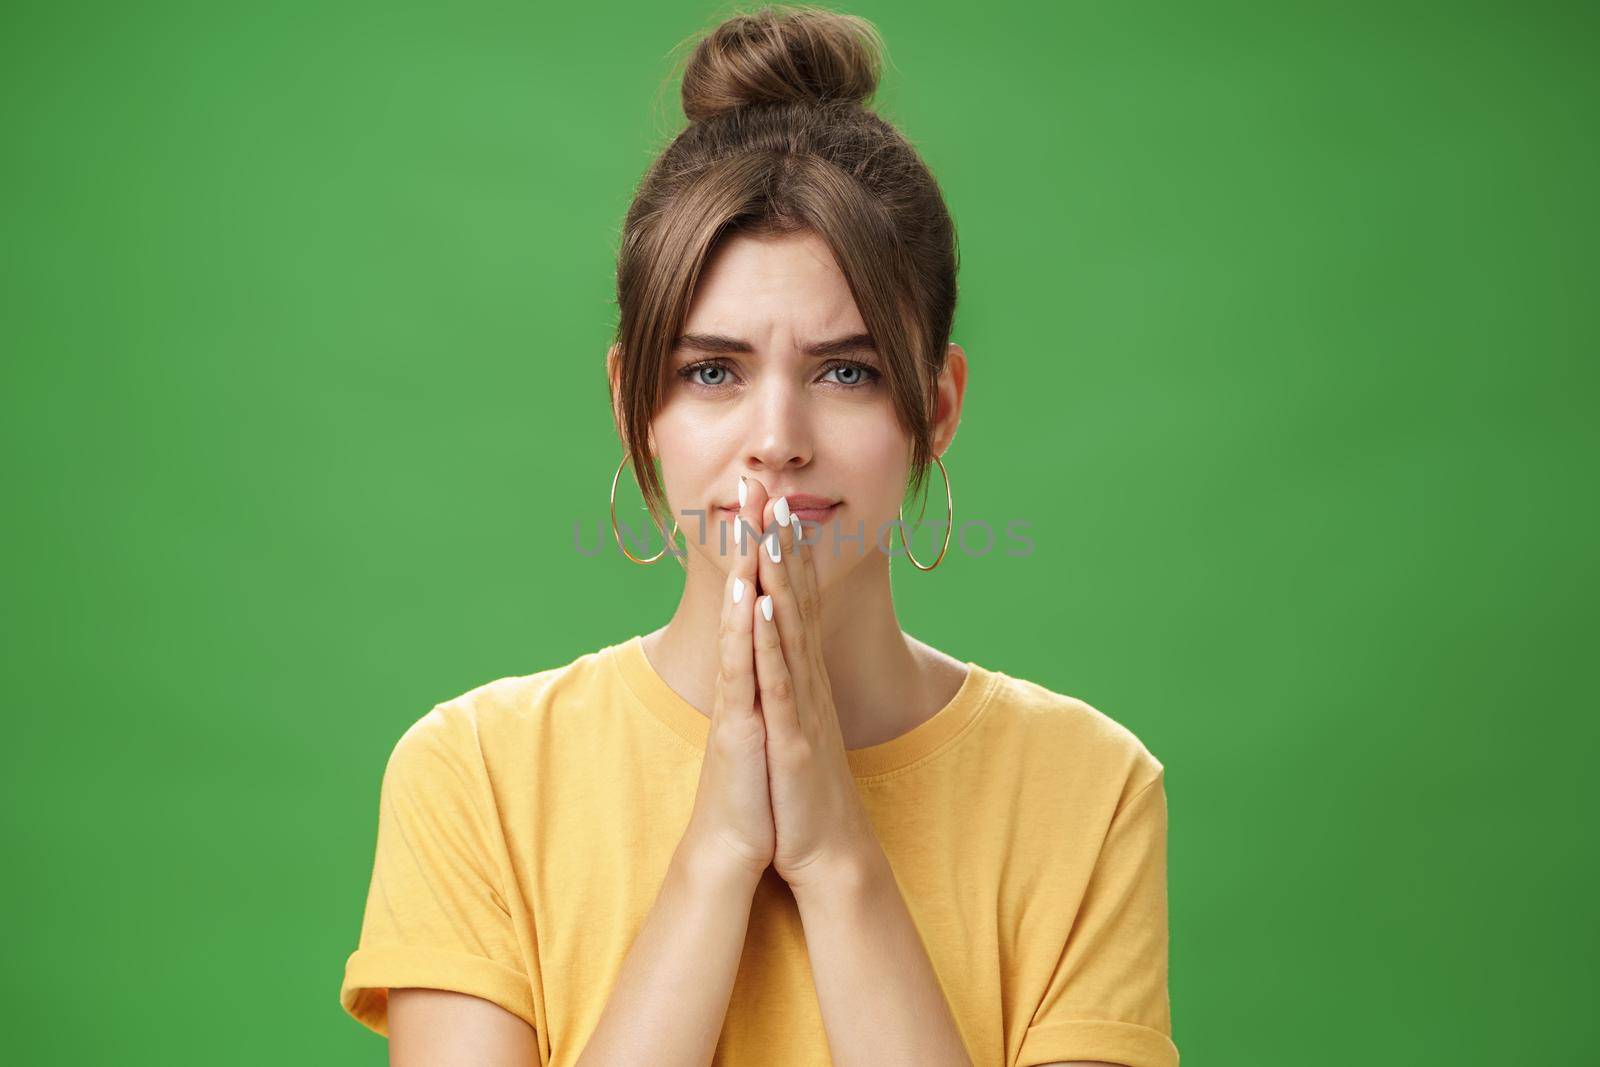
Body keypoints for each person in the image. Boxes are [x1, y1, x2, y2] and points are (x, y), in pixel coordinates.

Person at [338, 6, 1178, 1066]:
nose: (776, 440)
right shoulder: (475, 774)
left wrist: (835, 853)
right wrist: (717, 852)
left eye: (846, 371)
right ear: (631, 403)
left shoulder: (1087, 789)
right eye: (712, 371)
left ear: (938, 401)